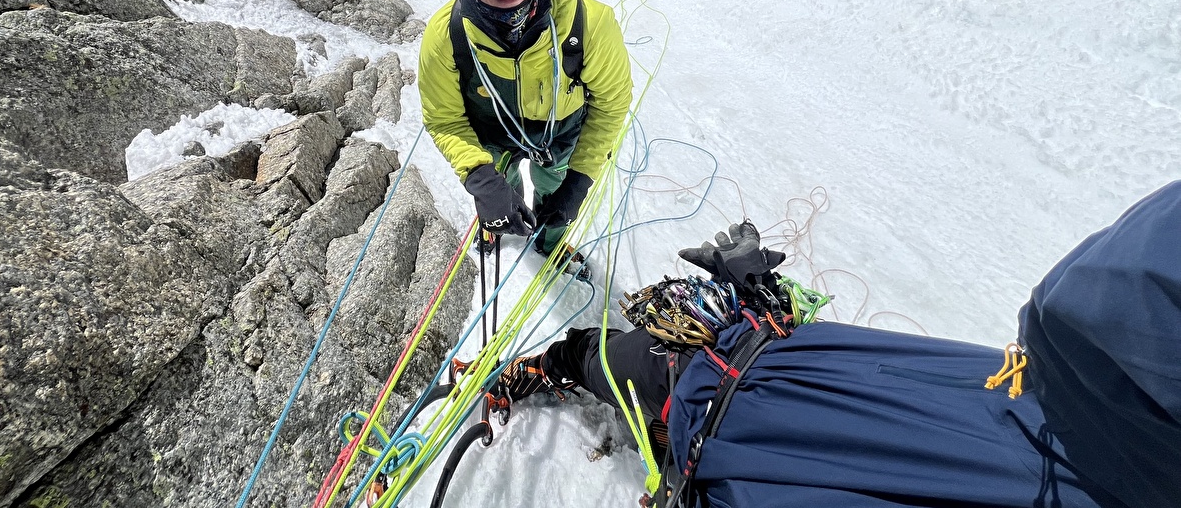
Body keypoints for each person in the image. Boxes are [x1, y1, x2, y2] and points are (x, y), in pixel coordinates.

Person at [500, 182, 1181, 508]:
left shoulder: (1091, 398)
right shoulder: (1097, 410)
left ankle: (561, 362)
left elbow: (1109, 294)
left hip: (743, 388)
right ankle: (564, 361)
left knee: (626, 362)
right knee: (627, 362)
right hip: (751, 381)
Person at [418, 0, 632, 263]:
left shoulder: (590, 24)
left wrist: (578, 184)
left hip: (558, 132)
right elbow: (444, 118)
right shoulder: (446, 37)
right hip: (492, 136)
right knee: (501, 185)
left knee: (555, 189)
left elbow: (611, 105)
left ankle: (550, 242)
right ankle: (499, 218)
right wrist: (482, 181)